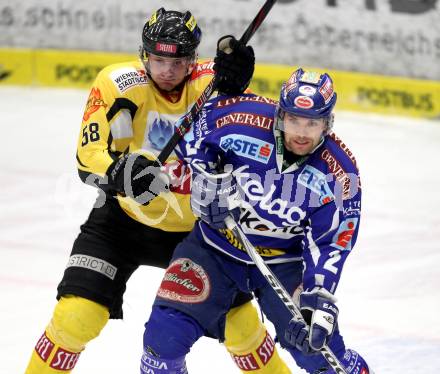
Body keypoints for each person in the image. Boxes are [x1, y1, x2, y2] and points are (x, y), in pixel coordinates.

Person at [24, 8, 291, 374]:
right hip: (123, 222)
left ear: (193, 60)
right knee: (75, 317)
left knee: (242, 329)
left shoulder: (214, 82)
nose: (167, 70)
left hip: (199, 233)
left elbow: (253, 139)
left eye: (178, 61)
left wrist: (237, 90)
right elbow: (88, 159)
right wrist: (121, 173)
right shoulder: (118, 83)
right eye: (158, 59)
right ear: (143, 54)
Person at [140, 67, 374, 373]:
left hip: (283, 263)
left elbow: (332, 243)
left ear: (327, 123)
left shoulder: (340, 172)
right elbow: (188, 140)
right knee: (162, 341)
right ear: (280, 115)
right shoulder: (240, 119)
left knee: (321, 354)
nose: (302, 133)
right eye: (293, 120)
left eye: (312, 123)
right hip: (214, 247)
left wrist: (318, 298)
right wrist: (204, 174)